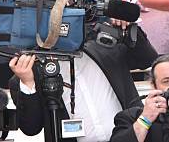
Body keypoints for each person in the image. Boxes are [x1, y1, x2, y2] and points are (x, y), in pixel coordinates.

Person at [8, 23, 158, 142]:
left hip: (134, 136)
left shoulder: (105, 45)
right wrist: (28, 84)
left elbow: (148, 59)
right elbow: (31, 128)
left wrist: (128, 28)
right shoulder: (28, 74)